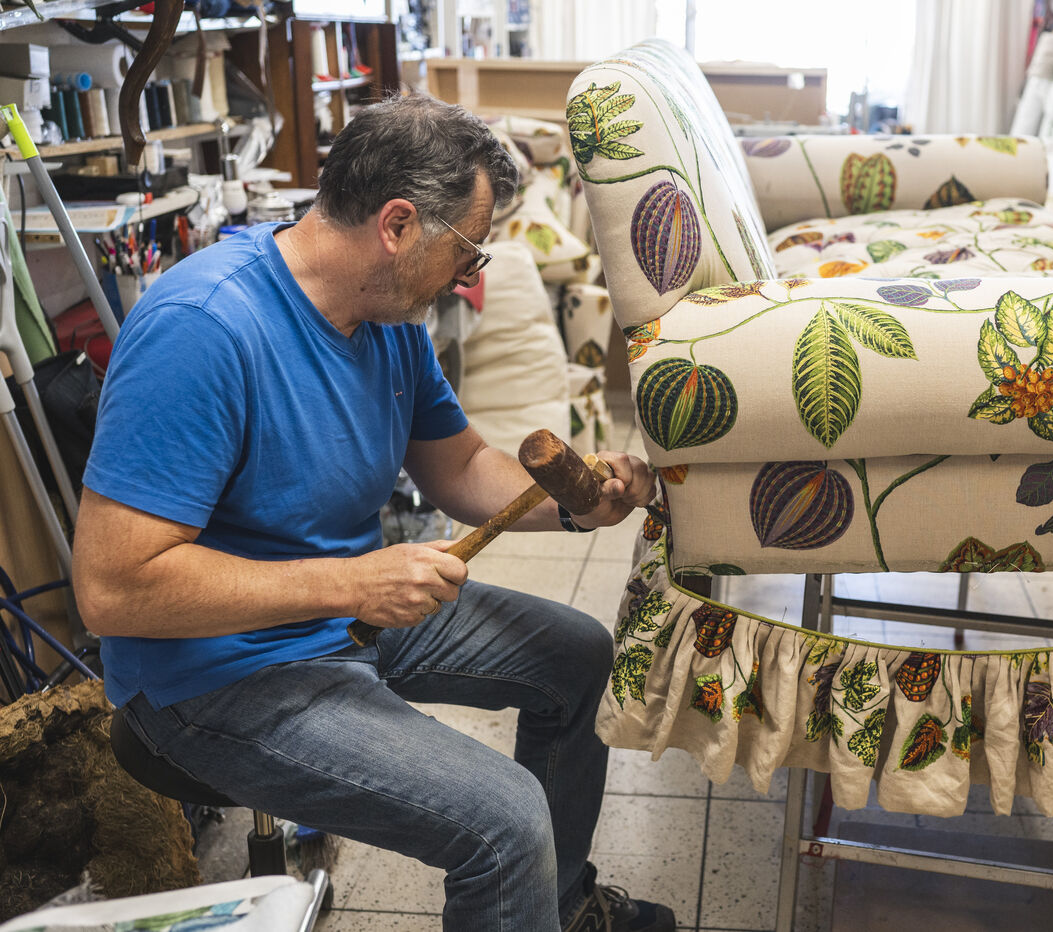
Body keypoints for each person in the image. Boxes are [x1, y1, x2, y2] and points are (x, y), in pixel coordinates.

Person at [72, 94, 674, 932]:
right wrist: (351, 585)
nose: (470, 276)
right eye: (466, 250)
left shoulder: (386, 319)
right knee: (503, 822)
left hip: (344, 616)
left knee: (579, 659)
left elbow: (459, 466)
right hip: (215, 674)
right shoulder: (202, 330)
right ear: (397, 224)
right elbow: (111, 590)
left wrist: (579, 507)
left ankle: (560, 906)